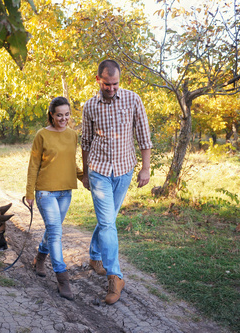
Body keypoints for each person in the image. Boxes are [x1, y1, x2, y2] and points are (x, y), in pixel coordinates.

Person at [81, 59, 152, 305]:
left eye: (115, 84)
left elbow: (144, 135)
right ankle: (115, 277)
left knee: (107, 220)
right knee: (108, 224)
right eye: (107, 84)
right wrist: (85, 172)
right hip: (99, 169)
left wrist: (146, 168)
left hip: (123, 171)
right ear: (98, 80)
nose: (111, 88)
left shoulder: (133, 100)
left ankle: (94, 256)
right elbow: (86, 142)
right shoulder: (89, 106)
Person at [25, 96, 83, 300]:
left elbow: (69, 163)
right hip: (45, 192)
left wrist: (83, 177)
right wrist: (29, 193)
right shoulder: (42, 135)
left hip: (65, 192)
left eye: (67, 114)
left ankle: (40, 258)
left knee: (52, 230)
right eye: (59, 115)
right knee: (56, 232)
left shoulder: (73, 135)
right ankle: (62, 277)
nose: (64, 118)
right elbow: (33, 165)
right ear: (51, 114)